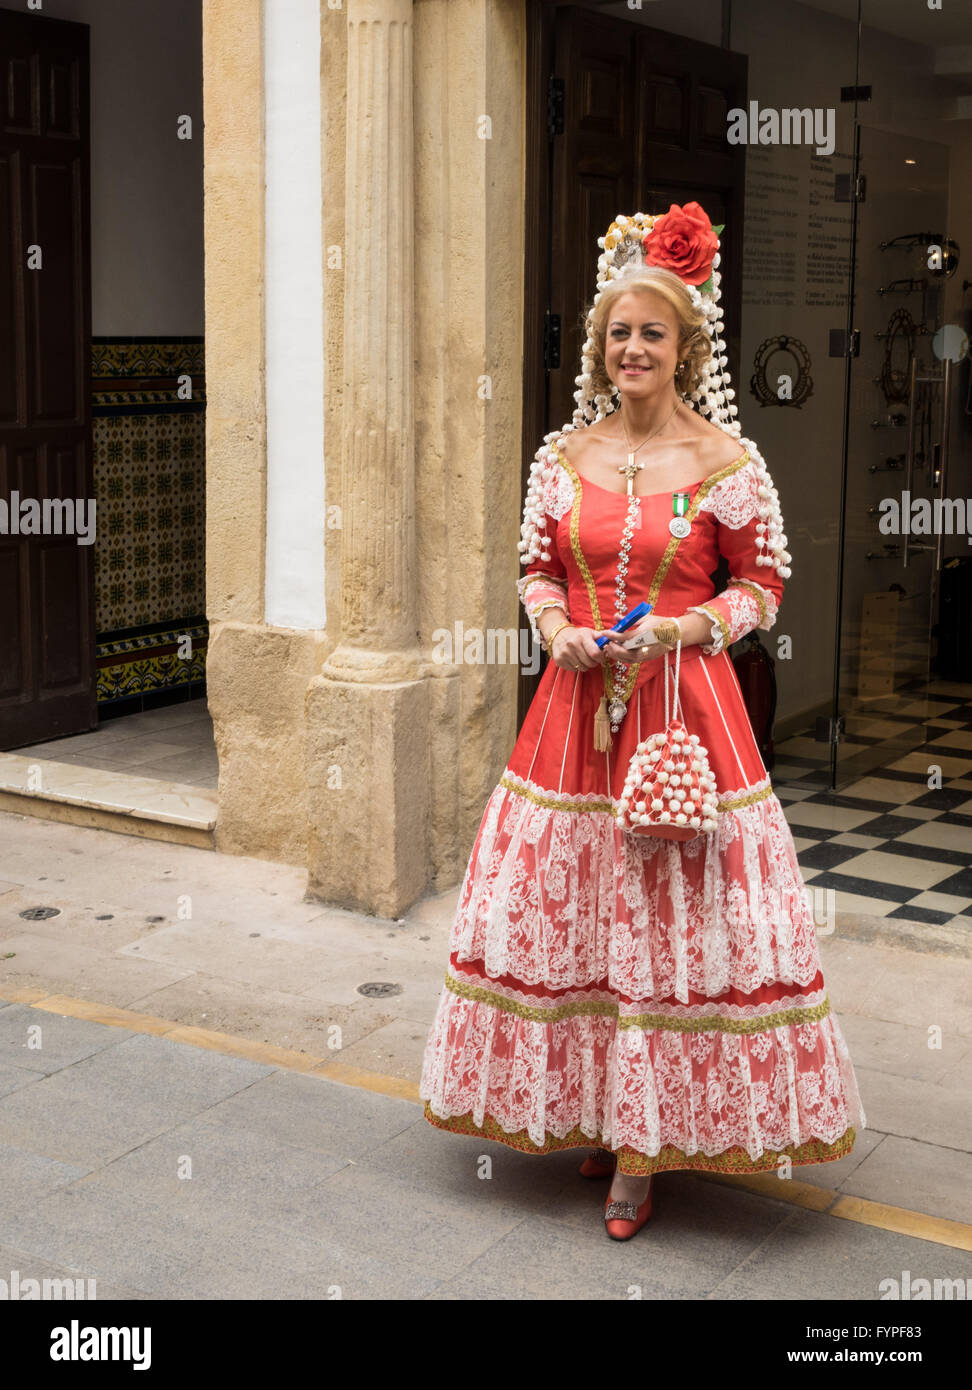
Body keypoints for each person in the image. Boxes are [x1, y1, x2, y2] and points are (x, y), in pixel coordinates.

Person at [419, 202, 866, 1241]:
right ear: (599, 345)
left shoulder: (727, 462)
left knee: (670, 922)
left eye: (651, 334)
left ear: (685, 348)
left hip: (683, 715)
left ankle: (644, 1146)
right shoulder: (560, 454)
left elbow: (765, 584)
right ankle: (595, 1109)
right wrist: (551, 625)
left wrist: (694, 626)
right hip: (573, 713)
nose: (632, 348)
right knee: (575, 910)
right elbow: (535, 567)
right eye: (618, 332)